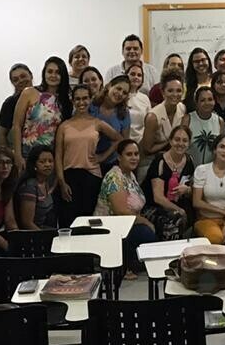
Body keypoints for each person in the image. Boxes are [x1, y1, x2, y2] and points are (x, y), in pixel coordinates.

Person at [57, 83, 124, 222]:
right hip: (69, 176)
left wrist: (102, 156)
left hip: (91, 175)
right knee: (69, 220)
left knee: (88, 220)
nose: (81, 102)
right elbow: (58, 155)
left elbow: (118, 139)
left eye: (85, 98)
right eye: (78, 99)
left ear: (90, 99)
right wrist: (61, 181)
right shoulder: (64, 126)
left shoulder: (97, 123)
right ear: (73, 100)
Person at [94, 139, 157, 272]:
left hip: (129, 223)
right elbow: (121, 212)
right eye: (129, 154)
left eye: (136, 154)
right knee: (147, 233)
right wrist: (146, 222)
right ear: (119, 157)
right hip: (112, 227)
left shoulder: (130, 175)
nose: (134, 158)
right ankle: (126, 266)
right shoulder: (114, 177)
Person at [11, 56, 71, 161]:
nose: (53, 75)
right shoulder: (29, 93)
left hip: (50, 158)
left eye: (57, 72)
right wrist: (17, 156)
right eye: (50, 71)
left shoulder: (66, 101)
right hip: (27, 154)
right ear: (44, 73)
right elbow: (17, 125)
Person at [143, 124, 195, 240]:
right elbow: (158, 198)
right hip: (155, 206)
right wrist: (180, 210)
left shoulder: (189, 160)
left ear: (189, 143)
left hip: (178, 202)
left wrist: (187, 190)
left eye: (184, 140)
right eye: (177, 139)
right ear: (170, 141)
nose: (180, 143)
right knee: (175, 217)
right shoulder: (160, 161)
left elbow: (192, 187)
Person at [141, 72, 188, 171]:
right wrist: (170, 141)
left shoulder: (182, 108)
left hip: (171, 160)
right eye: (170, 91)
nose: (175, 94)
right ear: (163, 93)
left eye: (179, 91)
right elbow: (147, 149)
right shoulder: (152, 117)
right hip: (150, 162)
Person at [92, 75, 132, 171]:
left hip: (111, 163)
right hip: (88, 159)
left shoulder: (124, 113)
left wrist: (103, 156)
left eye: (124, 92)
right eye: (118, 88)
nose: (120, 94)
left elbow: (124, 143)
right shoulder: (92, 105)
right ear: (109, 86)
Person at [15, 146, 59, 229]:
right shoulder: (30, 187)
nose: (47, 165)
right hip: (35, 234)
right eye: (42, 162)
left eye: (50, 161)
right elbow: (27, 223)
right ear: (34, 164)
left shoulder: (45, 182)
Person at [182, 85, 225, 165]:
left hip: (212, 169)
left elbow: (222, 148)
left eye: (210, 99)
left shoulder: (219, 121)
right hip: (189, 168)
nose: (207, 103)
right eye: (202, 100)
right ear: (196, 102)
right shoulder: (187, 119)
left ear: (214, 101)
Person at [0, 63, 32, 149]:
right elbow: (1, 134)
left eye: (23, 76)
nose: (21, 81)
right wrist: (10, 155)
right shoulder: (10, 103)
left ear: (31, 75)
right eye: (16, 80)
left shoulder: (43, 97)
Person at [124, 62, 150, 141]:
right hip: (122, 140)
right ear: (126, 76)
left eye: (139, 75)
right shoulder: (120, 96)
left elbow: (148, 124)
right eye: (132, 74)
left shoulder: (145, 98)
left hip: (141, 141)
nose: (136, 77)